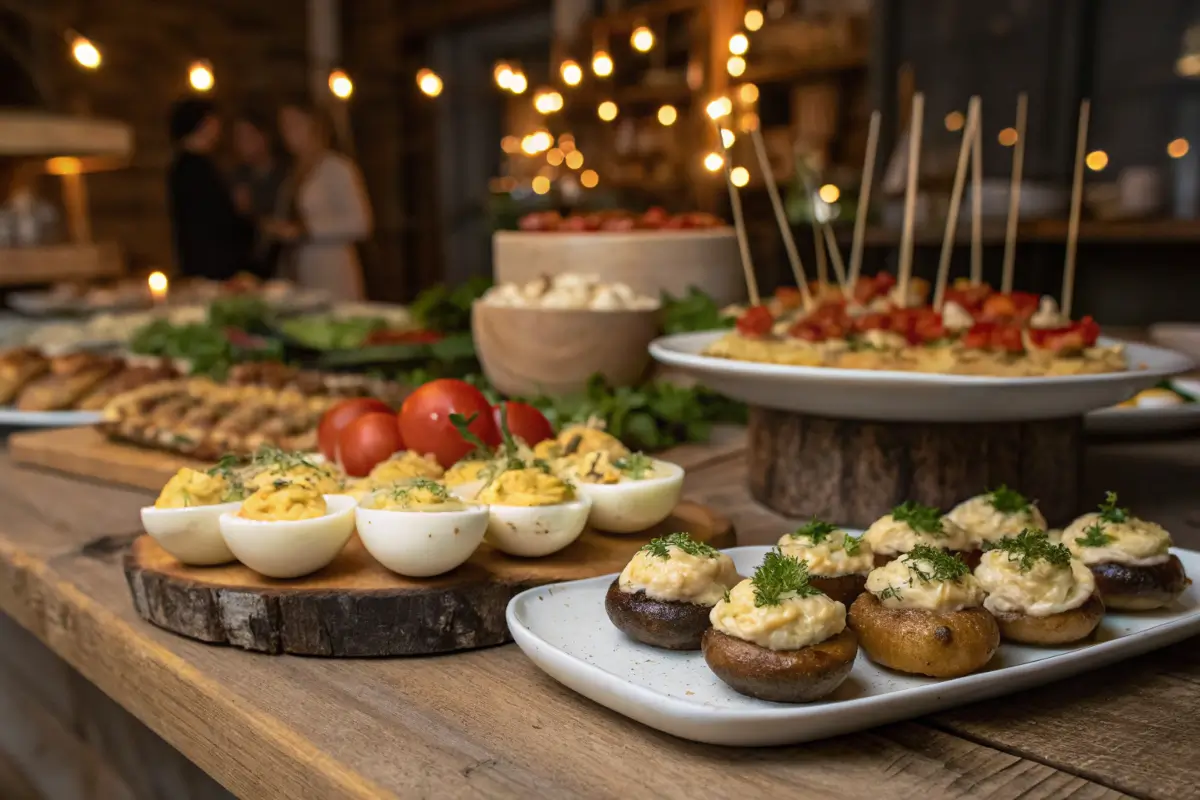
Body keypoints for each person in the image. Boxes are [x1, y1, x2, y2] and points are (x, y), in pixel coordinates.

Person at [264, 101, 371, 302]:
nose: (287, 132)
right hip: (299, 269)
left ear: (314, 126)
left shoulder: (337, 168)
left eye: (294, 124)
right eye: (283, 125)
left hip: (331, 267)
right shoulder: (293, 171)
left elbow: (360, 223)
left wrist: (307, 230)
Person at [165, 98, 251, 280]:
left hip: (201, 262)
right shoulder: (193, 169)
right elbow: (212, 219)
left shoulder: (186, 167)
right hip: (213, 264)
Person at [230, 109, 288, 279]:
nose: (241, 144)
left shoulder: (286, 173)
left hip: (285, 260)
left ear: (264, 136)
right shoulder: (239, 177)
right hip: (250, 265)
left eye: (247, 136)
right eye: (238, 138)